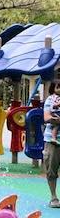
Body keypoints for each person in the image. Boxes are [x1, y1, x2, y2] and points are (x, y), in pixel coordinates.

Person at [43, 79, 60, 208]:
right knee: (51, 170)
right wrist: (55, 120)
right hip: (52, 141)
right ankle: (53, 197)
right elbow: (47, 117)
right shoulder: (50, 100)